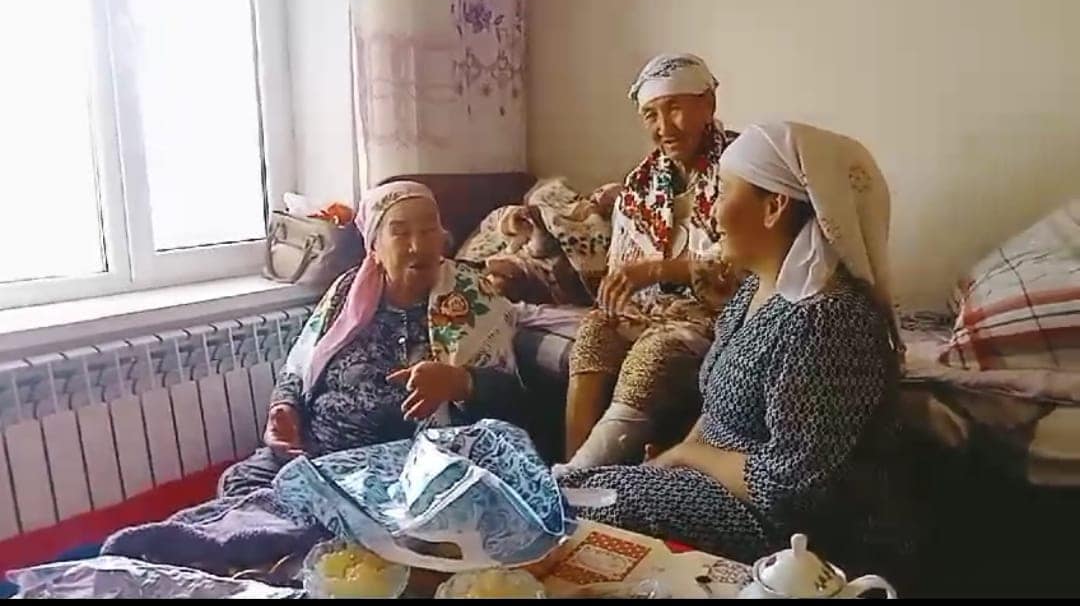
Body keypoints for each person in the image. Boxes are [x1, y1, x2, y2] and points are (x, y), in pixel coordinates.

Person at [557, 121, 913, 576]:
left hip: (790, 533)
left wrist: (687, 457)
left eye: (724, 192)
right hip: (722, 490)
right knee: (571, 490)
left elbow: (792, 491)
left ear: (774, 206)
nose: (708, 212)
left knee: (580, 507)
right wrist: (669, 464)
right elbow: (716, 413)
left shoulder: (828, 320)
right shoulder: (752, 293)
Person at [219, 181, 526, 497]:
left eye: (428, 230)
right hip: (314, 449)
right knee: (239, 482)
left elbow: (515, 404)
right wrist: (283, 406)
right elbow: (300, 363)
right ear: (374, 248)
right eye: (401, 233)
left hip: (401, 469)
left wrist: (462, 382)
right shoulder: (347, 290)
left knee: (296, 508)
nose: (418, 245)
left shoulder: (474, 295)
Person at [562, 53, 742, 470]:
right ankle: (568, 464)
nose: (664, 127)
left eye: (675, 108)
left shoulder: (742, 167)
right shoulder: (643, 181)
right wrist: (622, 292)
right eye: (651, 115)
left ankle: (578, 475)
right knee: (595, 330)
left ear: (708, 104)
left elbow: (750, 264)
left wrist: (661, 270)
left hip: (718, 314)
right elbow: (623, 262)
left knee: (655, 351)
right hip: (656, 308)